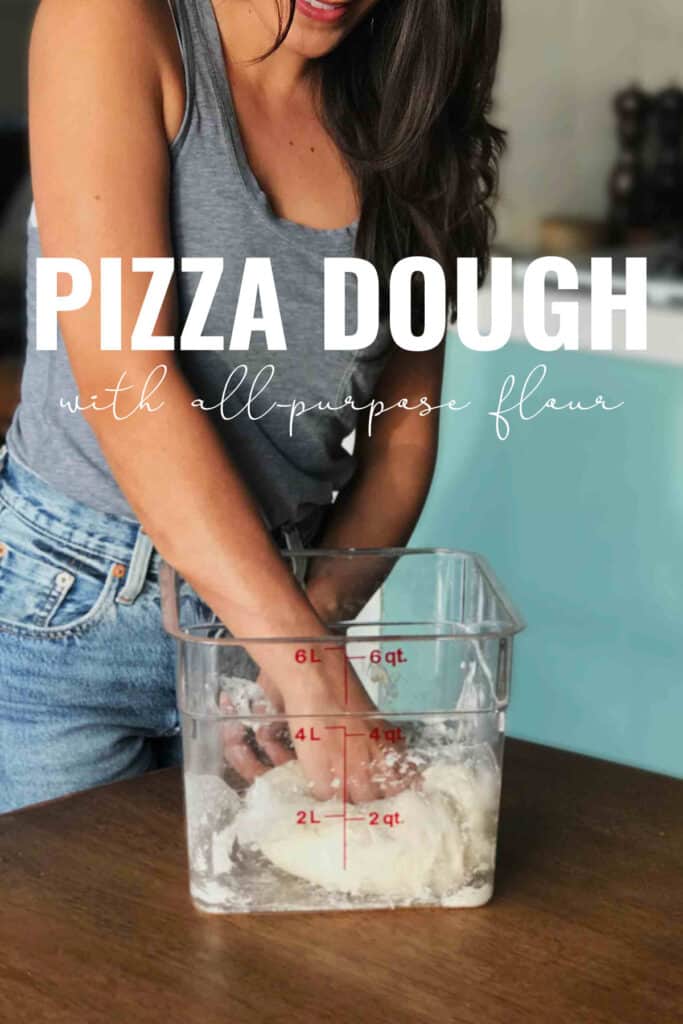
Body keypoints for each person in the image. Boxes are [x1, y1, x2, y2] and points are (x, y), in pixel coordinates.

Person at [0, 0, 503, 813]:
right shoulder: (115, 24)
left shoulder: (404, 108)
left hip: (276, 623)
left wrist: (306, 628)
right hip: (74, 618)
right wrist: (315, 668)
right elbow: (127, 383)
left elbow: (399, 441)